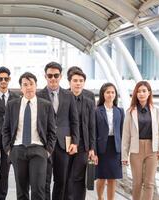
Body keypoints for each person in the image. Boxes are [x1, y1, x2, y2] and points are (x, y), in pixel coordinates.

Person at [2, 72, 57, 200]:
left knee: (38, 190)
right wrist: (9, 150)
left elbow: (52, 131)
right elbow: (5, 129)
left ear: (36, 85)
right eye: (25, 84)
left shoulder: (45, 105)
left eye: (31, 84)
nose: (28, 87)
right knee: (21, 192)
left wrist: (48, 151)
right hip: (17, 149)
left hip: (39, 149)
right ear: (21, 88)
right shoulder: (12, 105)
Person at [37, 61, 79, 200]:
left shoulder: (69, 95)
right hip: (44, 145)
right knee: (44, 181)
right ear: (45, 76)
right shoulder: (39, 95)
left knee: (61, 180)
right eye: (50, 75)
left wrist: (75, 142)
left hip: (63, 144)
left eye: (56, 75)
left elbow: (74, 121)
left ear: (60, 76)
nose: (53, 78)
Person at [121, 81, 159, 200]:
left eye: (144, 91)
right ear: (135, 94)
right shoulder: (130, 111)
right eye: (138, 91)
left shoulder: (157, 110)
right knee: (137, 183)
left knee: (149, 183)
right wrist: (124, 156)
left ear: (149, 93)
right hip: (136, 150)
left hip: (152, 149)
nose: (141, 93)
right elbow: (126, 135)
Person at [0, 66, 19, 200]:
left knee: (5, 172)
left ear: (9, 79)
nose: (3, 81)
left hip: (8, 141)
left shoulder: (16, 97)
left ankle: (1, 197)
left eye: (5, 79)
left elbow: (13, 116)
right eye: (0, 79)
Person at [66, 69, 96, 200]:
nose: (78, 83)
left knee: (79, 177)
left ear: (84, 83)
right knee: (66, 176)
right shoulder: (63, 98)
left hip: (83, 145)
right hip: (65, 143)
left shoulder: (88, 101)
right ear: (69, 82)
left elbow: (92, 126)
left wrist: (92, 149)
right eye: (75, 81)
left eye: (81, 81)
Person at [94, 83, 124, 200]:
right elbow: (94, 132)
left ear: (115, 95)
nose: (110, 95)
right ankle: (100, 198)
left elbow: (122, 132)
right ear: (103, 94)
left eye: (112, 92)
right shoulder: (97, 111)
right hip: (102, 147)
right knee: (101, 177)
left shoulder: (120, 111)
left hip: (115, 147)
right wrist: (94, 152)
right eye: (108, 92)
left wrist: (123, 152)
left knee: (112, 178)